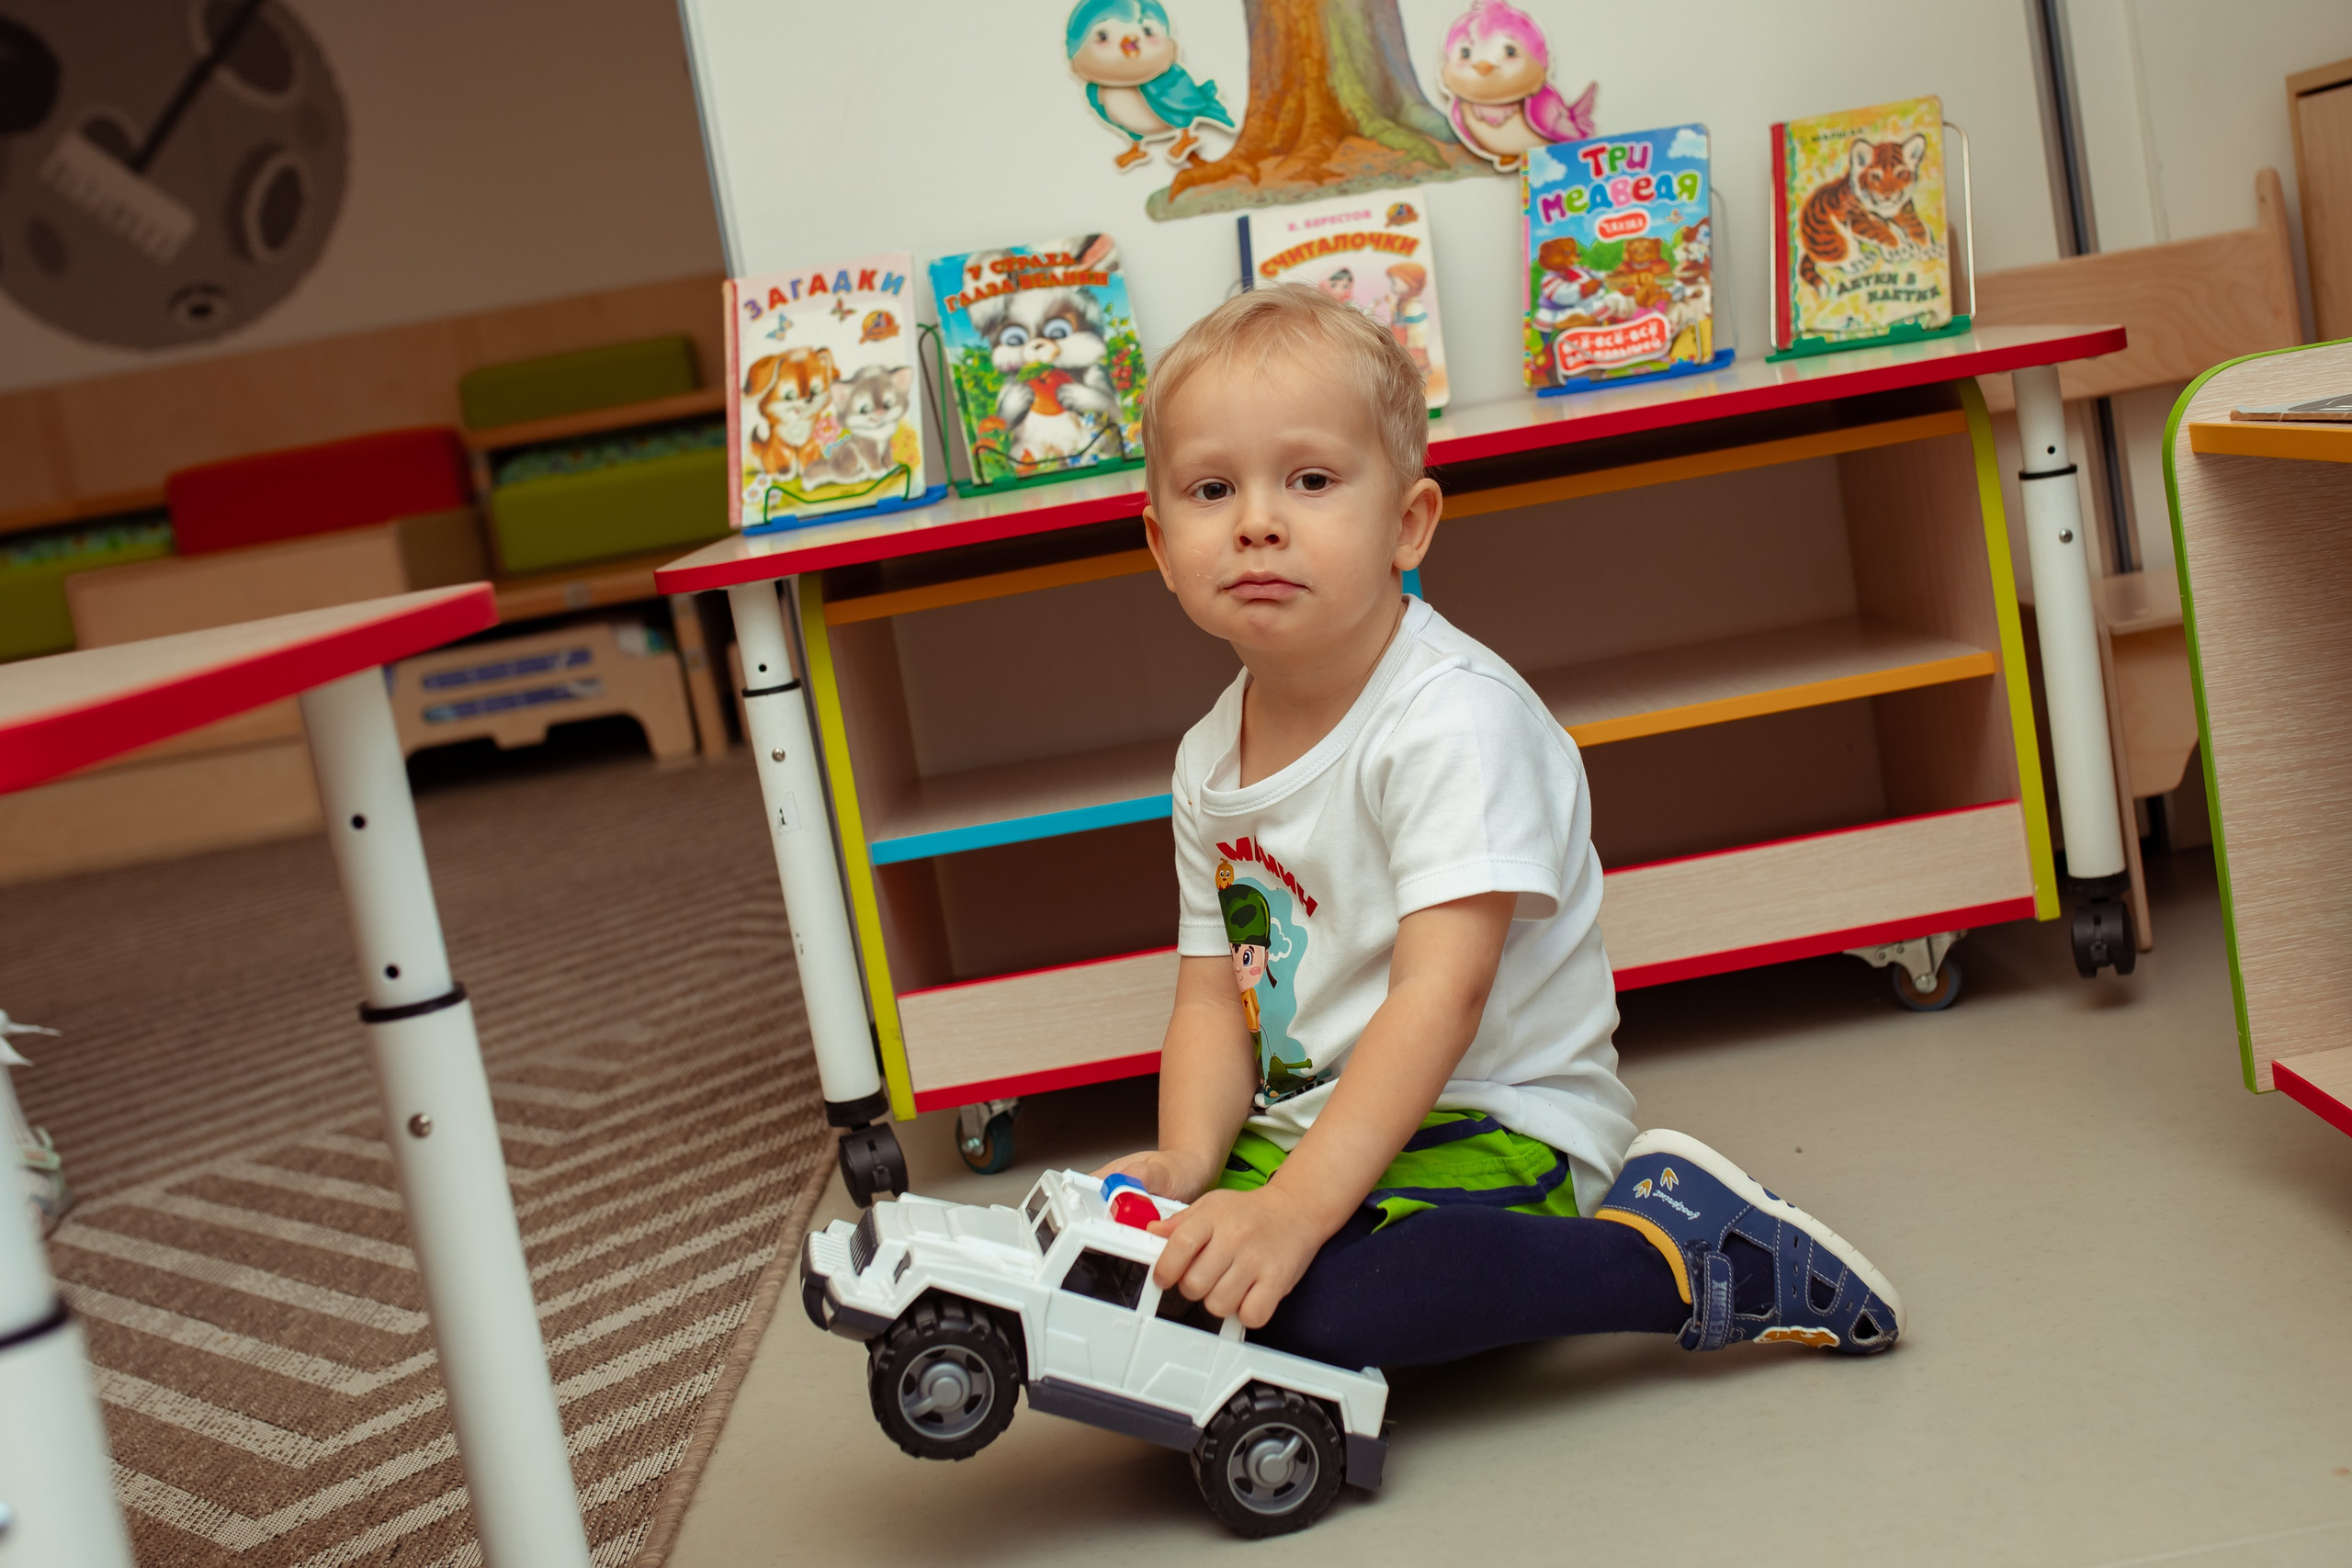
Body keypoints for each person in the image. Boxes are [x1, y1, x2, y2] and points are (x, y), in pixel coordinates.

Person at [1098, 284, 1902, 1368]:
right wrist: (1188, 1161)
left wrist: (1291, 1215)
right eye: (1210, 488)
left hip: (1491, 1119)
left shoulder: (1450, 720)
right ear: (1159, 544)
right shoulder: (1209, 756)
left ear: (1407, 523)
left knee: (1329, 1315)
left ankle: (1679, 1251)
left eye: (1312, 480)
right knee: (1128, 1281)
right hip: (1314, 1127)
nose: (1256, 520)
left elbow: (1444, 992)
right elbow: (1210, 993)